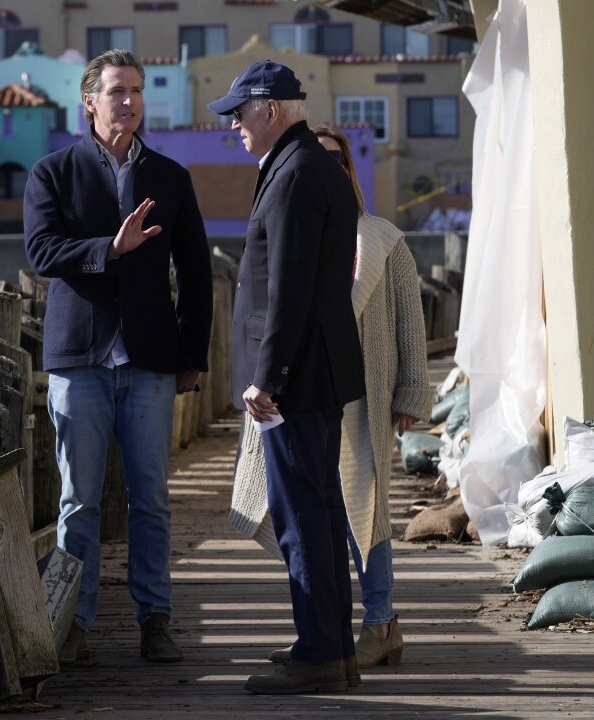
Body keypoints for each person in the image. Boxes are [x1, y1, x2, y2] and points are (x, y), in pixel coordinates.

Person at [23, 48, 213, 665]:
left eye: (136, 91)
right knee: (78, 500)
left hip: (151, 363)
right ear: (90, 101)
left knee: (151, 499)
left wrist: (193, 353)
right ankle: (73, 622)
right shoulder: (53, 172)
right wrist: (112, 246)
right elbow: (42, 252)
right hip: (79, 360)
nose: (128, 102)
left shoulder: (170, 176)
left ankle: (155, 619)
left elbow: (197, 274)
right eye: (116, 92)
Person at [229, 125, 432, 672]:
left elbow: (411, 321)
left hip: (363, 392)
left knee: (364, 512)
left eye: (339, 161)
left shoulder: (383, 238)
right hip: (303, 388)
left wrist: (412, 390)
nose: (329, 169)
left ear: (350, 170)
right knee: (314, 512)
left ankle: (380, 622)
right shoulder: (295, 229)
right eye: (318, 160)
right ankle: (327, 634)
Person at [208, 59, 365, 694]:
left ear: (270, 107)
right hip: (316, 370)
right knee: (319, 511)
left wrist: (266, 376)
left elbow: (289, 289)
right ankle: (331, 646)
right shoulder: (307, 164)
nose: (235, 127)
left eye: (240, 114)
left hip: (295, 378)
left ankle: (322, 655)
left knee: (303, 515)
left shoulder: (296, 173)